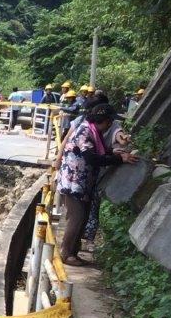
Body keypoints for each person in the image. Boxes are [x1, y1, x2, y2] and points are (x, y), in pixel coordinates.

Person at [55, 102, 138, 265]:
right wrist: (119, 158)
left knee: (83, 217)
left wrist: (115, 153)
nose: (110, 125)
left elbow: (100, 151)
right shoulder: (85, 131)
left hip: (83, 183)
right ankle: (66, 254)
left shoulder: (94, 131)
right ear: (105, 121)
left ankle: (73, 252)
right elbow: (92, 157)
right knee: (77, 218)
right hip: (73, 183)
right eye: (110, 122)